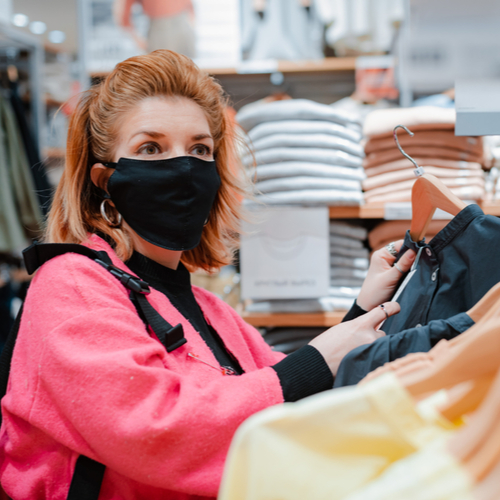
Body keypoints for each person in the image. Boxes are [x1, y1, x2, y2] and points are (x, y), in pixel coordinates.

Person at [0, 50, 415, 499]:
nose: (183, 168)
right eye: (150, 148)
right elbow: (156, 430)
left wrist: (359, 313)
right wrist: (317, 358)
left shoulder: (208, 310)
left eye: (200, 149)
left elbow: (281, 392)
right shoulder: (71, 286)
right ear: (104, 180)